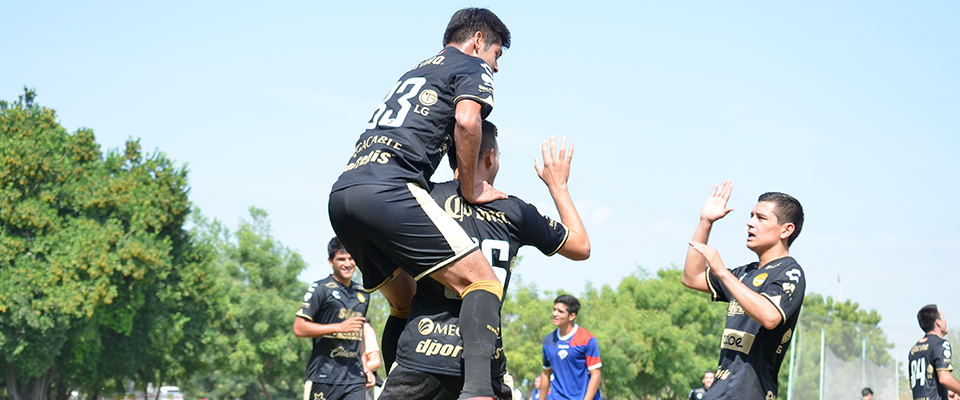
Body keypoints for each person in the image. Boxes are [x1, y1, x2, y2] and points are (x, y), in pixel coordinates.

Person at [327, 8, 511, 400]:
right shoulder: (472, 66)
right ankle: (478, 392)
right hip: (389, 189)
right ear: (479, 40)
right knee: (483, 281)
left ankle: (397, 391)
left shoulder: (417, 70)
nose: (496, 68)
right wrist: (471, 189)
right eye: (497, 55)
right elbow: (466, 121)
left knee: (404, 300)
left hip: (344, 194)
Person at [380, 122, 590, 400]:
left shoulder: (426, 199)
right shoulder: (514, 211)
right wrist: (558, 186)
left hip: (421, 357)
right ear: (490, 157)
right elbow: (581, 246)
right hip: (485, 364)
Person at [680, 181, 806, 400]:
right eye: (751, 216)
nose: (750, 223)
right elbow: (691, 278)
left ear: (786, 230)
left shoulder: (790, 272)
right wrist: (705, 222)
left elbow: (769, 316)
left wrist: (722, 272)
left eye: (761, 218)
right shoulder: (745, 273)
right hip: (718, 394)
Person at [293, 238, 370, 400]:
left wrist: (366, 367)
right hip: (323, 377)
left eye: (351, 258)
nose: (347, 264)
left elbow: (359, 333)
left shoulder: (363, 293)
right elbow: (299, 328)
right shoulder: (320, 288)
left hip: (354, 377)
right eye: (341, 259)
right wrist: (338, 327)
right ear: (330, 261)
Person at [539, 295, 602, 400]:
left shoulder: (587, 339)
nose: (555, 314)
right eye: (554, 310)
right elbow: (546, 373)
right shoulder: (548, 341)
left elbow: (595, 374)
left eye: (560, 311)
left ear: (572, 316)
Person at [908, 304, 960, 400]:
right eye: (943, 318)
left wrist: (945, 393)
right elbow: (944, 378)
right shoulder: (941, 344)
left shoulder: (913, 350)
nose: (945, 321)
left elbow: (918, 385)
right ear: (938, 322)